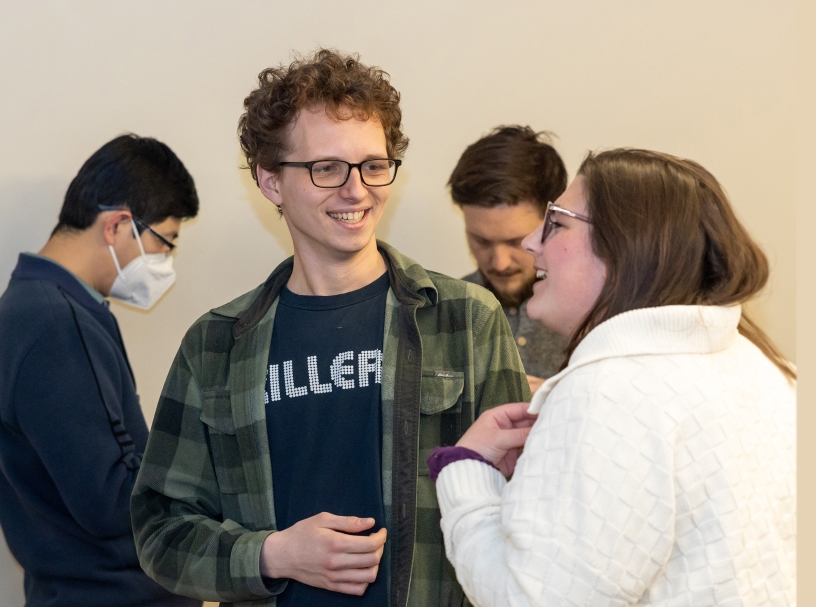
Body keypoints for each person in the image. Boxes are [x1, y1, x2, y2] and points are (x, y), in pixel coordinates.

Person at [131, 49, 530, 607]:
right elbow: (162, 531)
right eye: (326, 168)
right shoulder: (216, 343)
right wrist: (273, 554)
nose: (357, 190)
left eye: (373, 164)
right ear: (270, 182)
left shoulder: (467, 319)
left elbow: (525, 509)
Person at [429, 149, 798, 606]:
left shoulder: (608, 390)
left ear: (625, 244)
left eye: (557, 223)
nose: (529, 245)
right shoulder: (764, 366)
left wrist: (467, 469)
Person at [0, 134, 200, 607]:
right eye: (164, 243)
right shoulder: (54, 325)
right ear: (117, 226)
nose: (164, 264)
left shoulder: (50, 309)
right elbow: (111, 501)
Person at [447, 125, 569, 391]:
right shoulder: (443, 314)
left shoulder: (599, 310)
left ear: (554, 220)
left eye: (516, 242)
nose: (499, 263)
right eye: (481, 241)